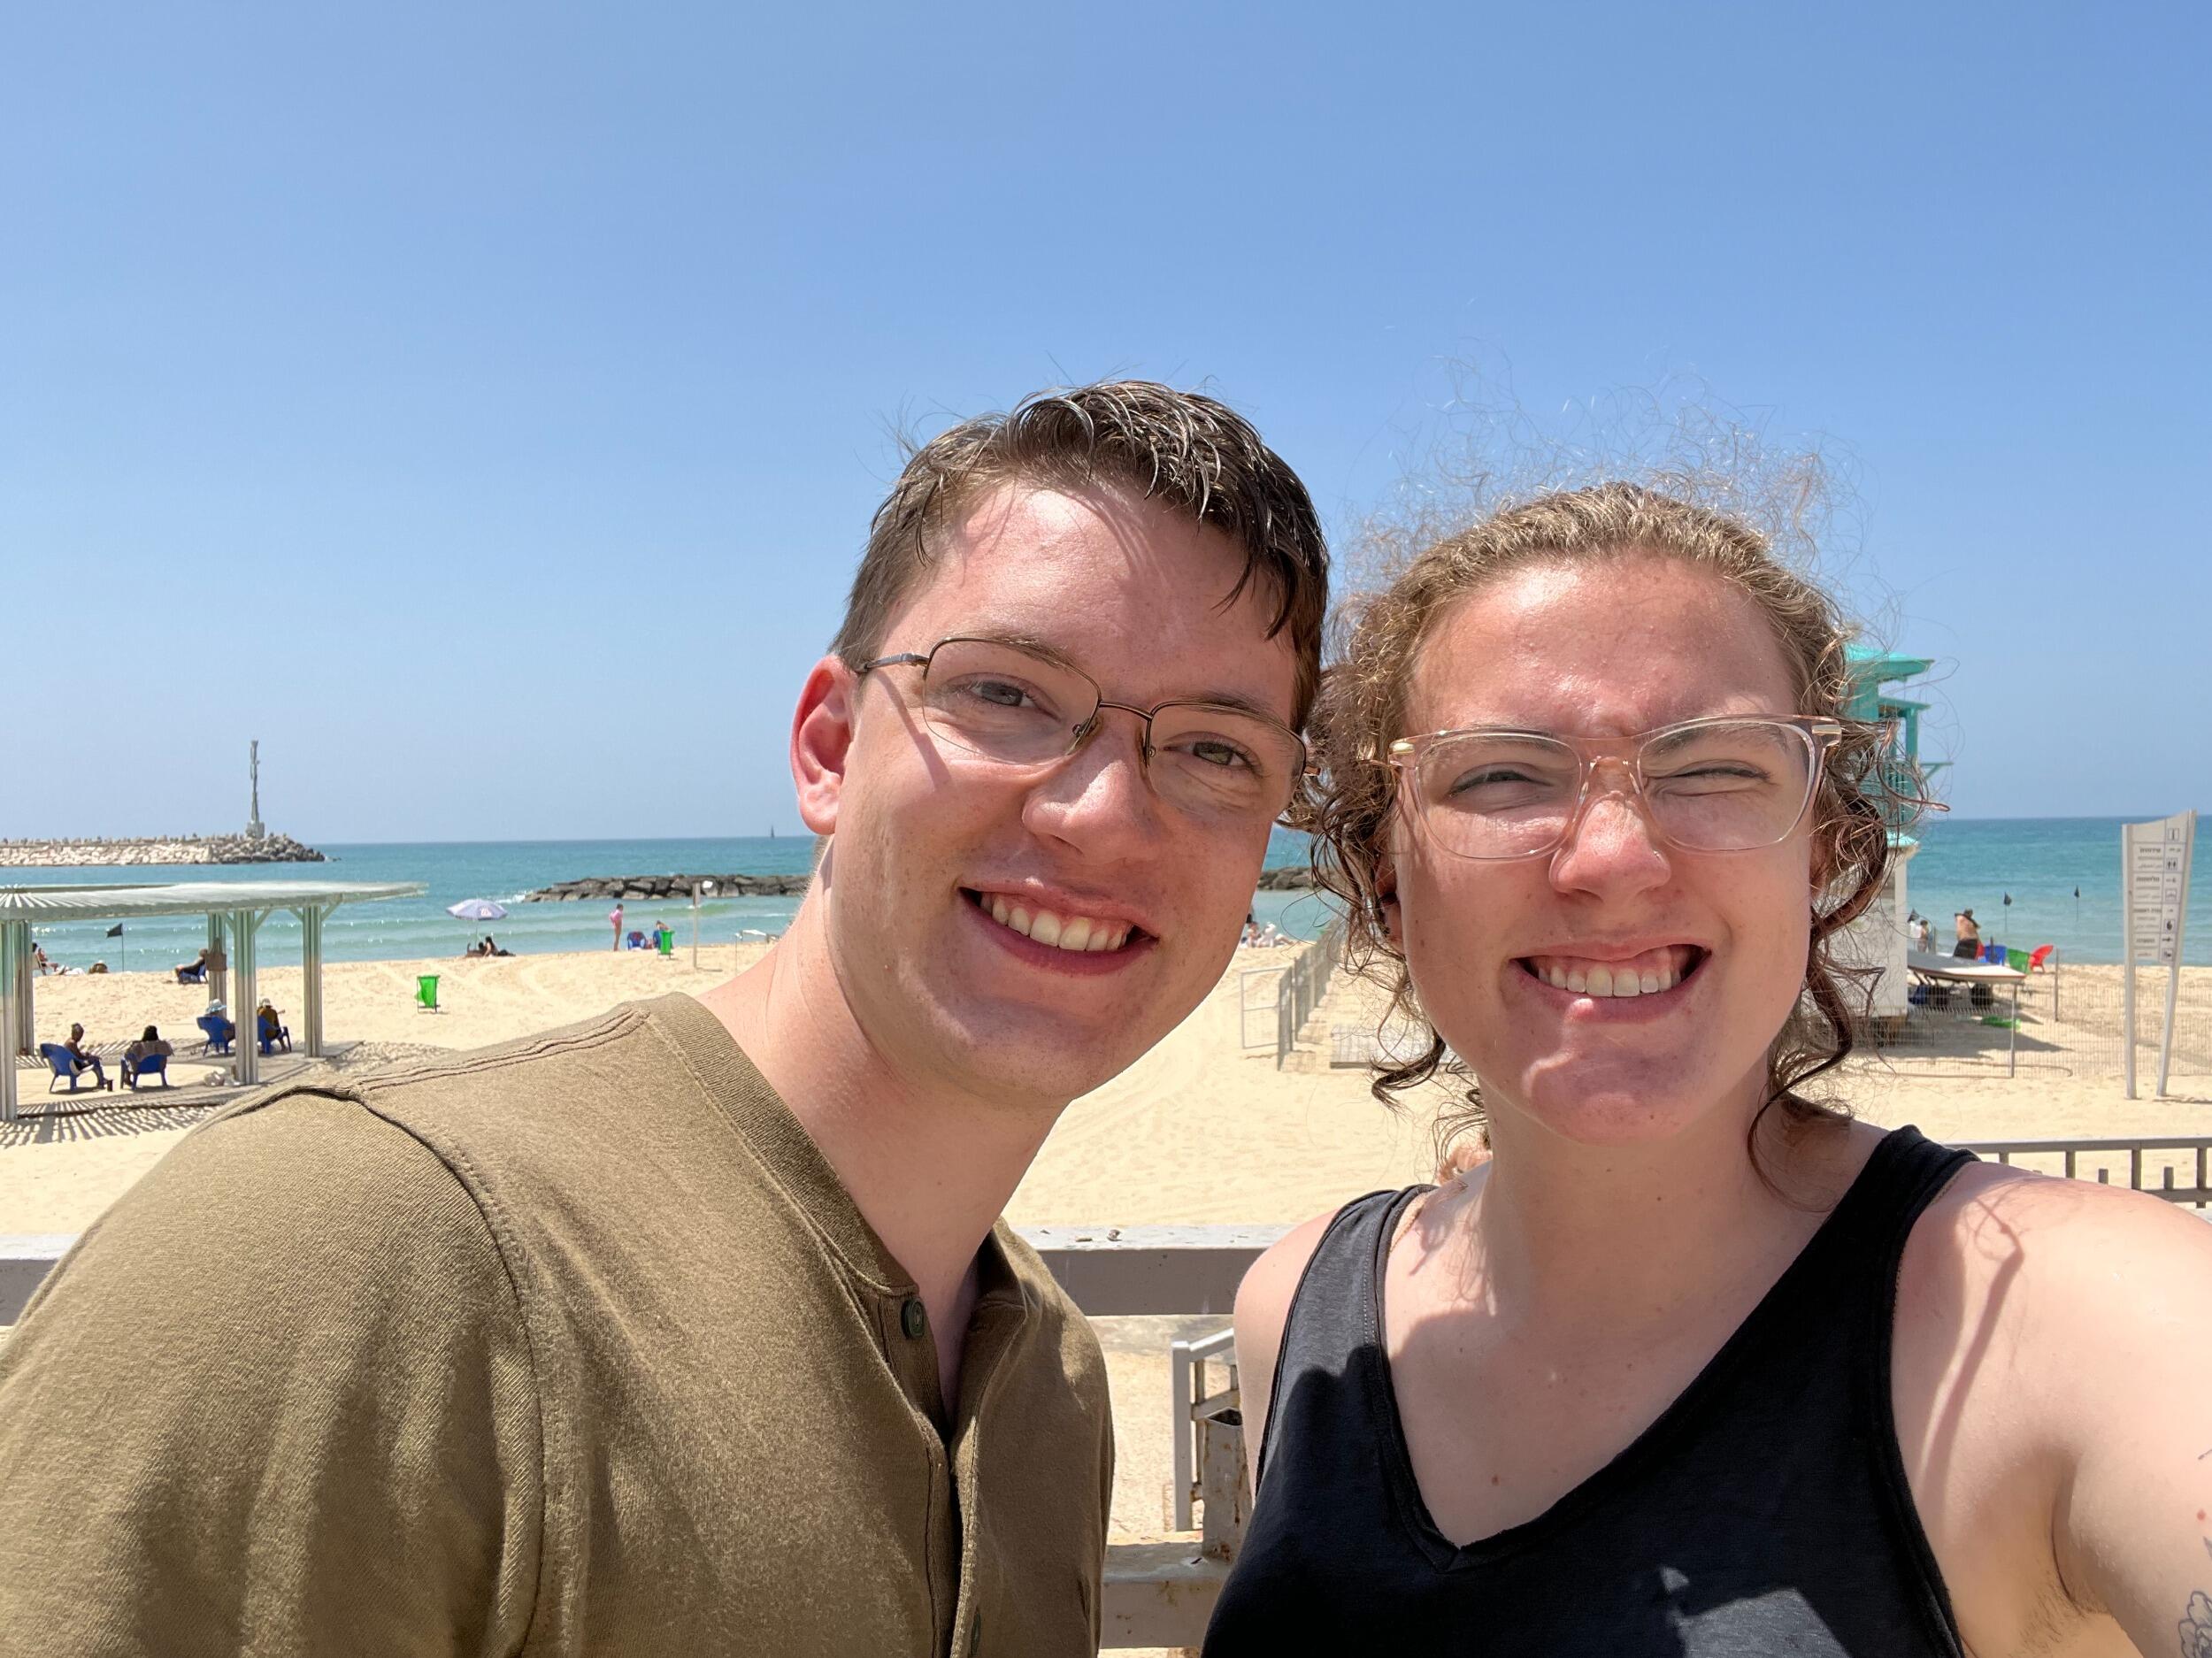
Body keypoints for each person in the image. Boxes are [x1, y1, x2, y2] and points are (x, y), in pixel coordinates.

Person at [0, 380, 1329, 1654]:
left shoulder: (1048, 1386)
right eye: (1006, 691)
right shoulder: (358, 1250)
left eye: (1216, 748)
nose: (1101, 811)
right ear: (828, 746)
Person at [1207, 483, 2212, 1655]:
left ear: (1821, 852)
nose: (1611, 856)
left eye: (1714, 768)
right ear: (1388, 876)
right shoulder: (1300, 1315)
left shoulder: (2071, 1320)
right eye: (1499, 774)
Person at [59, 1024, 111, 1092]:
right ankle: (101, 1081)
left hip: (67, 1064)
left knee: (93, 1059)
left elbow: (75, 1054)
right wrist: (90, 1056)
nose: (80, 1038)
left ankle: (101, 1079)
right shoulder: (72, 1043)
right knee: (95, 1060)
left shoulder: (69, 1040)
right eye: (79, 1035)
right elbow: (80, 1057)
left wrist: (85, 1054)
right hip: (74, 1066)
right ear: (75, 1034)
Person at [122, 1025, 173, 1089]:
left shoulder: (138, 1046)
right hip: (158, 1067)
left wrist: (132, 1046)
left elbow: (127, 1055)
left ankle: (127, 1079)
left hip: (139, 1068)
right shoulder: (162, 1045)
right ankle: (164, 1082)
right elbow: (169, 1052)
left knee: (124, 1060)